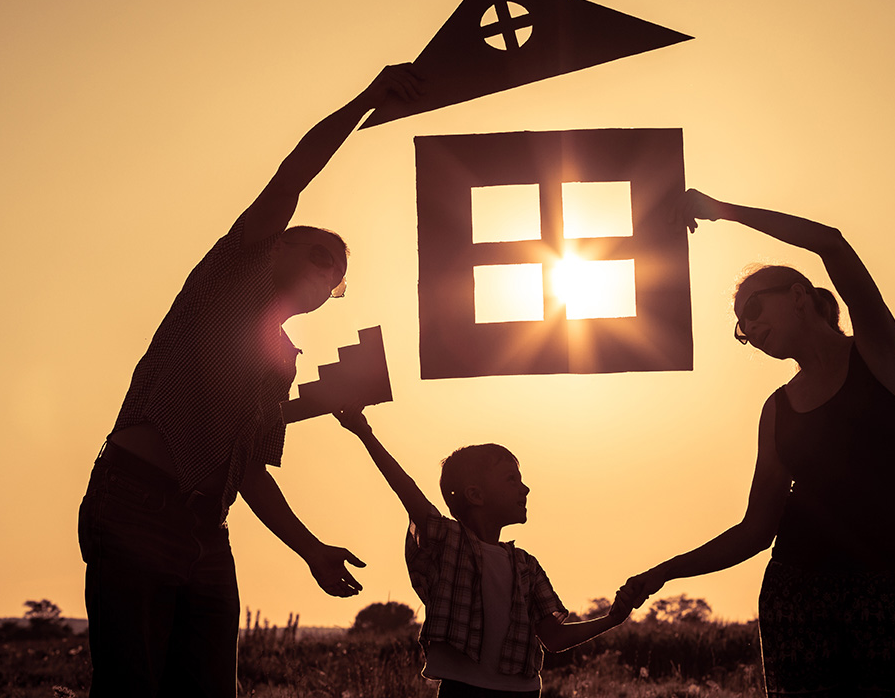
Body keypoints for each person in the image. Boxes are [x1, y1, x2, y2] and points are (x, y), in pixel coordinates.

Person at [77, 64, 424, 698]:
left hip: (208, 531)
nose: (326, 276)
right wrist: (368, 100)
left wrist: (311, 548)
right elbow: (296, 172)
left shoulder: (280, 361)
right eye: (319, 255)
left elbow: (247, 469)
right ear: (274, 247)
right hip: (135, 504)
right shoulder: (223, 283)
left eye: (337, 277)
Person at [622, 189, 895, 697]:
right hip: (797, 596)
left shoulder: (877, 354)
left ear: (798, 295)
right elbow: (756, 529)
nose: (749, 327)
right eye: (740, 326)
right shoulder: (777, 411)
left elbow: (833, 245)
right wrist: (661, 573)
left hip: (891, 590)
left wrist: (724, 211)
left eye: (753, 307)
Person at [334, 405, 633, 698]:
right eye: (511, 479)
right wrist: (364, 432)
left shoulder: (526, 565)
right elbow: (406, 488)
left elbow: (554, 638)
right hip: (463, 691)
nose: (524, 489)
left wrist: (612, 619)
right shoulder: (447, 541)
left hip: (524, 692)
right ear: (475, 495)